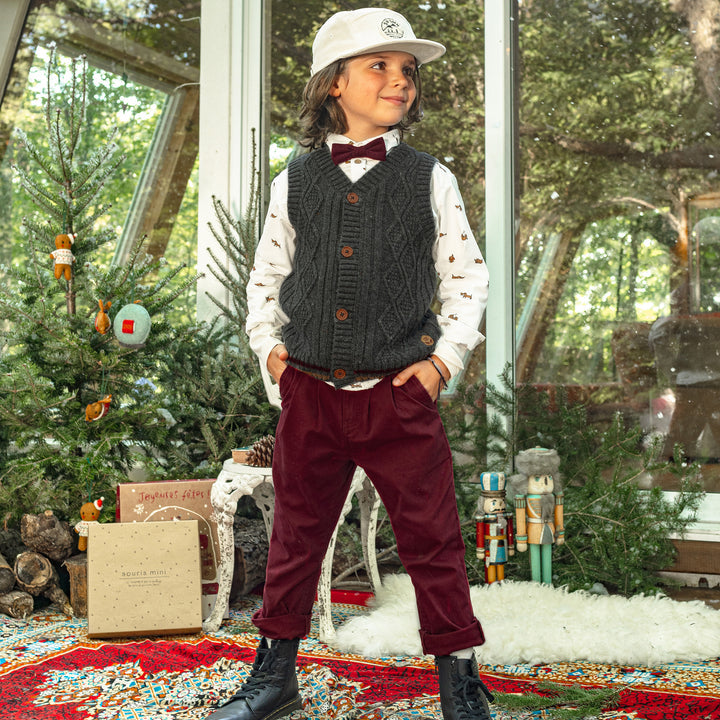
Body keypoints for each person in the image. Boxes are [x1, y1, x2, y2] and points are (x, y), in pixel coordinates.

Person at [209, 8, 492, 720]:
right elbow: (266, 278)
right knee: (294, 538)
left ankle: (460, 682)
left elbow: (466, 279)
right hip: (310, 392)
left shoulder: (431, 178)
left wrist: (442, 362)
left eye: (408, 70)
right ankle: (275, 675)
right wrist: (271, 354)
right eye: (380, 66)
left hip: (399, 395)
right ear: (335, 83)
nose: (400, 80)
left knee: (432, 539)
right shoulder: (295, 180)